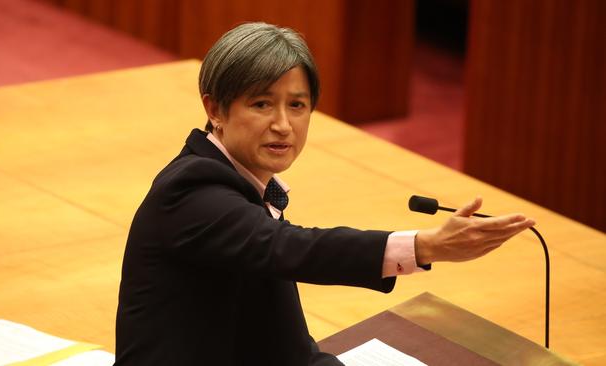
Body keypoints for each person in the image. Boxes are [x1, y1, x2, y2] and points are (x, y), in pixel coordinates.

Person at [114, 22, 535, 365]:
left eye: (297, 106)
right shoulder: (194, 193)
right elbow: (294, 248)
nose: (283, 125)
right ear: (215, 109)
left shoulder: (241, 185)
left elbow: (286, 349)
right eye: (262, 104)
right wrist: (423, 246)